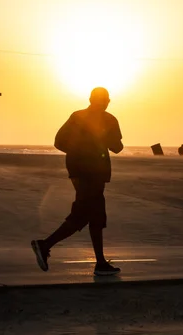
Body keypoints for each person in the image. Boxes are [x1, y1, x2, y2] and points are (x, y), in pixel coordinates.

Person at [31, 87, 123, 276]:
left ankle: (100, 263)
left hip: (80, 172)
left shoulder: (79, 116)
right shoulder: (107, 119)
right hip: (92, 173)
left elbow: (59, 142)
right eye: (103, 100)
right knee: (83, 214)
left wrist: (77, 154)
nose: (103, 103)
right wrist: (92, 148)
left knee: (95, 216)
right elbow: (118, 147)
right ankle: (45, 244)